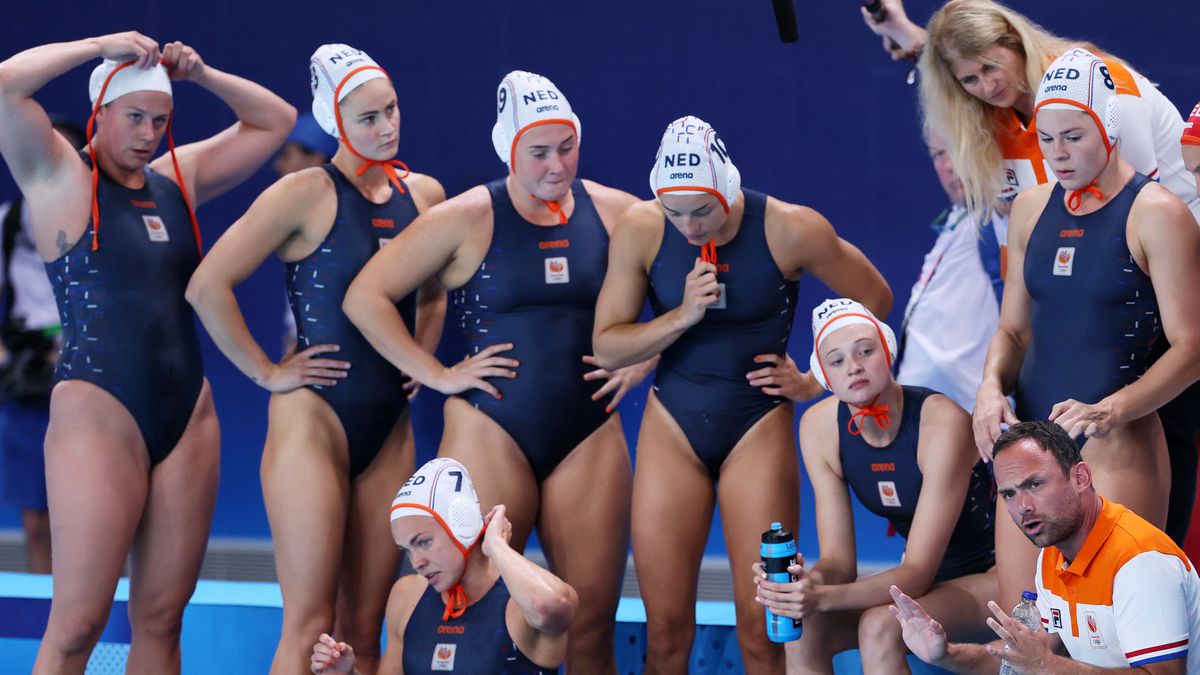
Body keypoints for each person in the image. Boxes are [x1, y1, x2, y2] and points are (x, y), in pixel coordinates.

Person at [0, 33, 294, 673]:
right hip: (99, 411)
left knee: (161, 621)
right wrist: (94, 46)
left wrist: (205, 73)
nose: (148, 133)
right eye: (134, 117)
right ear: (99, 111)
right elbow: (4, 84)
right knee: (76, 625)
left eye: (160, 121)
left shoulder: (173, 180)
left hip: (188, 414)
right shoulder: (59, 176)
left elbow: (276, 121)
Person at [343, 70, 648, 672]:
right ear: (509, 150)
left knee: (588, 631)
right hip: (490, 428)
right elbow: (364, 297)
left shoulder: (619, 212)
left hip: (587, 431)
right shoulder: (467, 216)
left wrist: (643, 360)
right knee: (471, 615)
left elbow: (680, 293)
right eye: (538, 152)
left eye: (567, 147)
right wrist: (437, 374)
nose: (556, 165)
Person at [591, 116, 892, 673]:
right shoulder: (642, 228)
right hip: (672, 427)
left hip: (757, 427)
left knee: (764, 631)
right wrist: (681, 316)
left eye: (700, 211)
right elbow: (608, 347)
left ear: (726, 189)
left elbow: (875, 298)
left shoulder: (789, 228)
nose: (687, 227)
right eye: (674, 211)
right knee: (665, 634)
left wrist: (816, 380)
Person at [186, 44, 445, 675]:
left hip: (387, 424)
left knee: (367, 625)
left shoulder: (427, 195)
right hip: (313, 420)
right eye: (367, 118)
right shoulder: (302, 193)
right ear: (333, 120)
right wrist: (268, 372)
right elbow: (205, 286)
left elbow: (435, 291)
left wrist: (419, 358)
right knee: (311, 624)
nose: (386, 127)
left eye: (391, 110)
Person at [972, 48, 1200, 616]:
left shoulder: (1158, 214)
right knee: (1026, 634)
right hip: (1029, 449)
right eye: (1046, 139)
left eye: (1074, 136)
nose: (1058, 153)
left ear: (1111, 128)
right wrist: (987, 389)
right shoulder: (1028, 209)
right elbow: (1013, 331)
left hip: (1118, 445)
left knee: (1115, 639)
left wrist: (1111, 410)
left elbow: (1194, 347)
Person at [753, 299, 1003, 673]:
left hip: (992, 577)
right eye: (836, 361)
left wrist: (820, 596)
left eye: (865, 352)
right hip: (926, 581)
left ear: (887, 352)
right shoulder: (820, 430)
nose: (853, 367)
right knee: (804, 627)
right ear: (824, 376)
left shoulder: (941, 423)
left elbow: (917, 571)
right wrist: (800, 588)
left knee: (879, 626)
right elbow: (838, 563)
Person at [891, 420, 1200, 673]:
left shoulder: (1139, 561)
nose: (1022, 506)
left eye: (1034, 484)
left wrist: (1049, 666)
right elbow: (1026, 658)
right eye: (1009, 494)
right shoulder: (1052, 555)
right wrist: (945, 653)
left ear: (1080, 478)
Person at [862, 0, 1200, 220]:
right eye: (970, 80)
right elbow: (947, 63)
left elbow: (1138, 213)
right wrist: (900, 30)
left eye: (992, 67)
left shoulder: (1106, 91)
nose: (987, 87)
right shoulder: (985, 114)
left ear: (1016, 43)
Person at [309, 458, 578, 675]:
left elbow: (551, 607)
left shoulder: (520, 603)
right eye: (407, 550)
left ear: (462, 525)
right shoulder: (407, 597)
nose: (416, 563)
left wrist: (496, 545)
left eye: (424, 542)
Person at [0, 118, 81, 575]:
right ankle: (43, 620)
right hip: (28, 385)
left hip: (91, 375)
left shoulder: (104, 219)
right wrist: (7, 359)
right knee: (36, 522)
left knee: (97, 516)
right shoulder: (8, 222)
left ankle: (109, 621)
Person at [895, 126, 1005, 413]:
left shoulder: (1000, 216)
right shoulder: (957, 218)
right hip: (917, 409)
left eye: (957, 149)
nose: (948, 165)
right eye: (938, 154)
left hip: (967, 411)